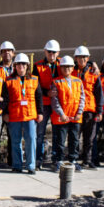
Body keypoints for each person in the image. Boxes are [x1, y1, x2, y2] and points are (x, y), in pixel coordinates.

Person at [3, 53, 42, 174]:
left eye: (23, 64)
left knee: (31, 140)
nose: (21, 66)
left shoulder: (34, 79)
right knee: (15, 141)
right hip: (14, 115)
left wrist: (40, 112)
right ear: (15, 66)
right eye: (18, 64)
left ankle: (31, 166)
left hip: (30, 115)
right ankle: (17, 165)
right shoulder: (8, 80)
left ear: (27, 65)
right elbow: (5, 98)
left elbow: (39, 97)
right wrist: (5, 113)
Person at [50, 55, 84, 171]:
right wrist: (62, 114)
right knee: (60, 141)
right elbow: (55, 101)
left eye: (69, 66)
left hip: (75, 117)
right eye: (64, 67)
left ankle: (73, 160)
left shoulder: (78, 81)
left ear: (73, 68)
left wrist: (79, 112)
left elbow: (82, 98)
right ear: (60, 68)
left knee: (74, 140)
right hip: (62, 118)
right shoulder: (56, 82)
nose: (66, 69)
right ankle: (58, 161)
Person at [33, 39, 62, 169]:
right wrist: (47, 93)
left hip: (58, 104)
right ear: (45, 51)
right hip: (43, 103)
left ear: (58, 52)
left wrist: (92, 64)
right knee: (40, 133)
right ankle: (38, 159)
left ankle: (55, 160)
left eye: (54, 52)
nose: (51, 54)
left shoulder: (63, 63)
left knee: (56, 133)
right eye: (49, 52)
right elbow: (35, 85)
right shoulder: (37, 66)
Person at [74, 46, 103, 170]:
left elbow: (99, 93)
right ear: (76, 58)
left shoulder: (94, 73)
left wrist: (100, 111)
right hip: (75, 110)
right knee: (75, 137)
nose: (82, 59)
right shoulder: (70, 70)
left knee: (89, 138)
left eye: (85, 57)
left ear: (88, 58)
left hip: (90, 110)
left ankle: (87, 161)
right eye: (80, 57)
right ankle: (74, 160)